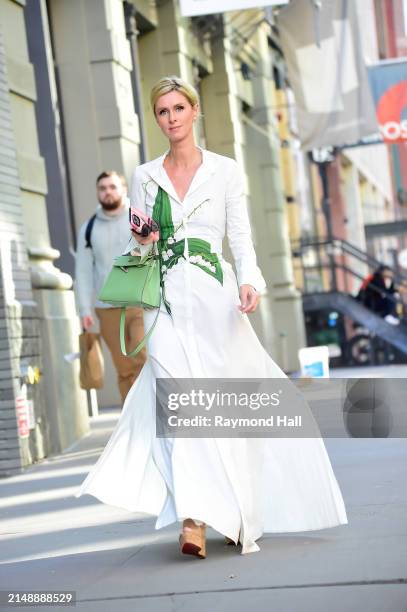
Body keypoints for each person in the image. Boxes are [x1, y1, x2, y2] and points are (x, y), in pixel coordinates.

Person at [74, 76, 348, 557]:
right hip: (164, 305)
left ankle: (238, 508)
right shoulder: (144, 175)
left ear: (195, 112)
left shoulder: (224, 171)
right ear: (157, 119)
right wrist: (142, 238)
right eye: (162, 111)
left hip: (215, 299)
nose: (171, 118)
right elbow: (132, 243)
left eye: (179, 108)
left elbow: (240, 237)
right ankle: (193, 520)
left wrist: (250, 281)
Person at [75, 170, 146, 403]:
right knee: (124, 368)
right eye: (102, 188)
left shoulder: (138, 219)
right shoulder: (88, 229)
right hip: (107, 309)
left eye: (112, 187)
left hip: (140, 302)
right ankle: (135, 425)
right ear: (98, 193)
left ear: (123, 190)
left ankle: (161, 417)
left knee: (145, 357)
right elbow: (83, 272)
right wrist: (84, 310)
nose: (107, 192)